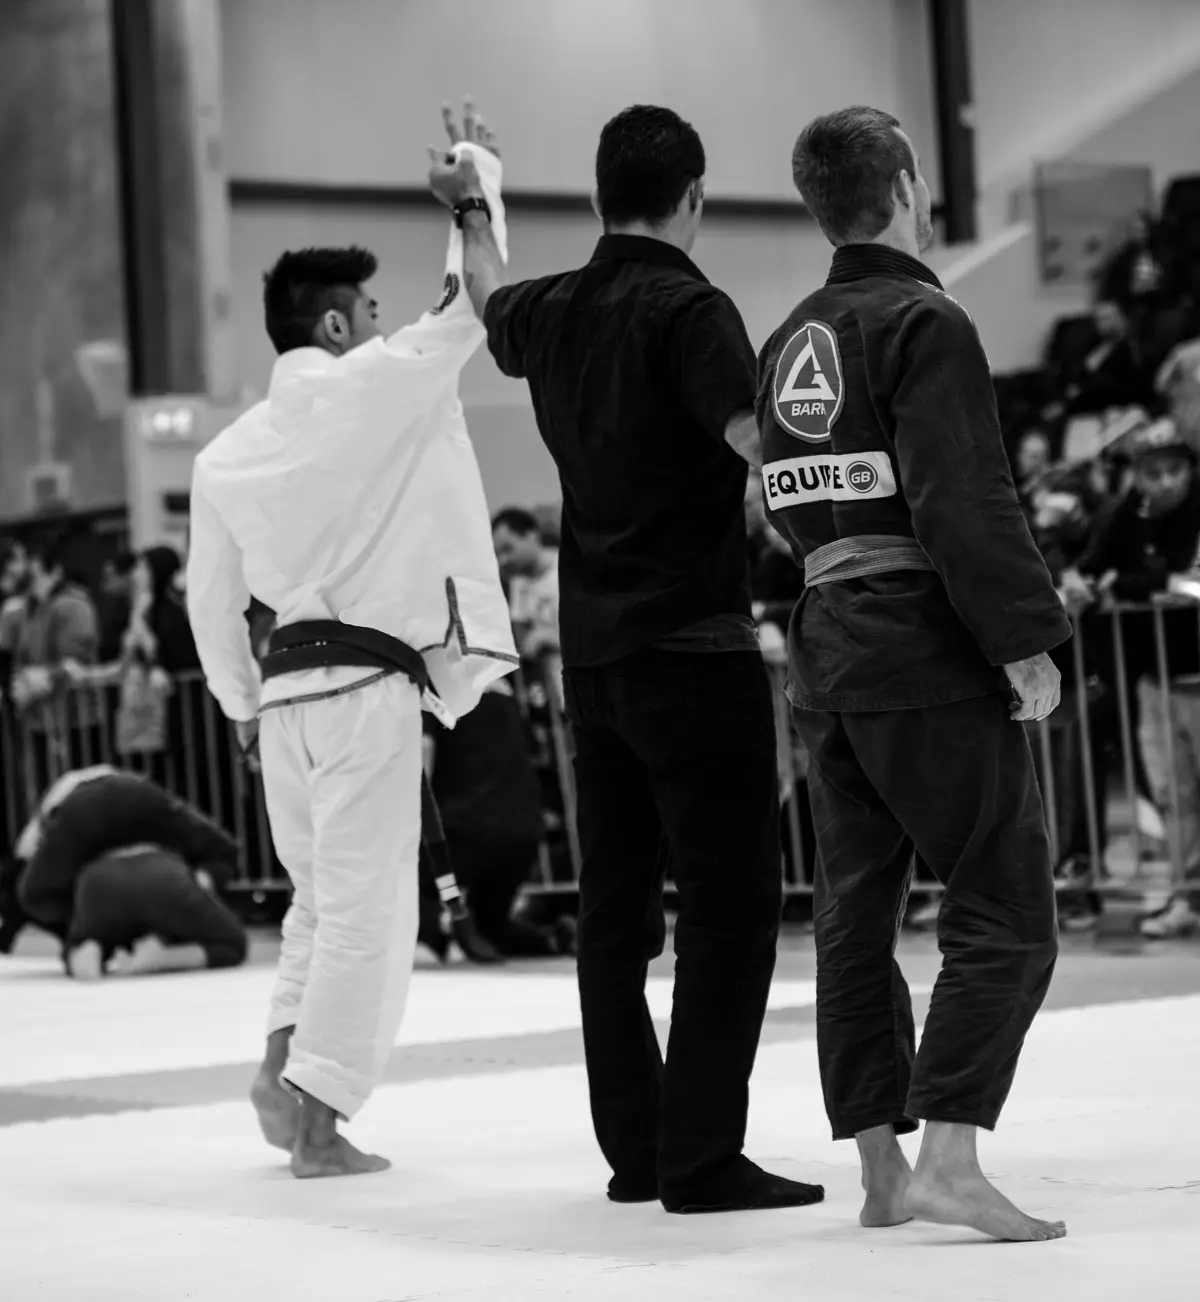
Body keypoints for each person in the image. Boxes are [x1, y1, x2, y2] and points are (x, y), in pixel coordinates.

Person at [470, 103, 823, 1214]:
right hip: (695, 647)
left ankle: (638, 1149)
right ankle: (703, 1156)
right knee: (729, 908)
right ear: (698, 197)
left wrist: (473, 196)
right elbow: (756, 443)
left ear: (600, 196)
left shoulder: (555, 308)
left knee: (615, 915)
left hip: (595, 666)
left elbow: (484, 294)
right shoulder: (691, 307)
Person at [185, 99, 517, 1180]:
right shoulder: (371, 388)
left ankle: (282, 1071)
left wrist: (237, 708)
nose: (379, 325)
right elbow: (472, 306)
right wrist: (476, 188)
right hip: (365, 688)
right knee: (369, 913)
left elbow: (209, 601)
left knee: (319, 907)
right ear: (333, 327)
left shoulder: (228, 454)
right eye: (365, 310)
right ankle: (320, 1120)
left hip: (281, 700)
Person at [762, 106, 1071, 1242]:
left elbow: (788, 504)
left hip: (826, 638)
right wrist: (1021, 638)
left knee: (854, 912)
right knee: (1005, 901)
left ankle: (881, 1168)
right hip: (918, 643)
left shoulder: (790, 335)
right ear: (904, 186)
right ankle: (949, 1151)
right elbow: (961, 497)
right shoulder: (920, 320)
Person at [1062, 419, 1200, 938]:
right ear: (1138, 476)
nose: (1165, 482)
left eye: (1174, 471)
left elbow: (1194, 588)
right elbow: (1089, 572)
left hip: (1196, 674)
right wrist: (1084, 584)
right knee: (1173, 796)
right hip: (1154, 681)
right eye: (1153, 473)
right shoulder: (1125, 514)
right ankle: (1187, 895)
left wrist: (1138, 585)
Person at [10, 766, 245, 976]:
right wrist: (200, 884)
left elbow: (34, 893)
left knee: (80, 928)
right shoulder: (141, 796)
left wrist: (81, 922)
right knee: (230, 944)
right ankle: (169, 955)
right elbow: (224, 851)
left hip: (96, 877)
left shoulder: (52, 820)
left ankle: (85, 948)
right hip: (159, 861)